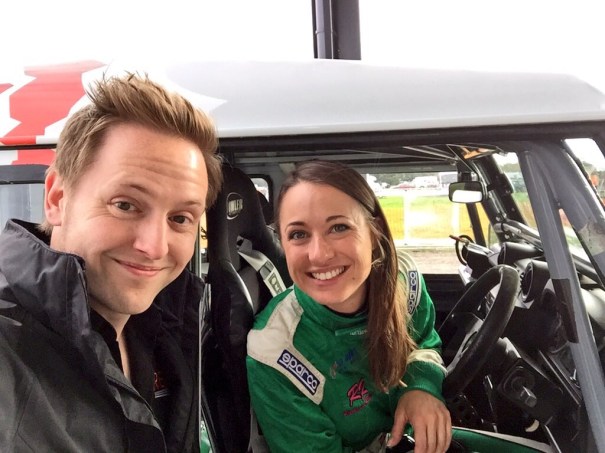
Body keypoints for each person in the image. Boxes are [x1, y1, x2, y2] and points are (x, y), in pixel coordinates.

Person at [0, 73, 222, 452]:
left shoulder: (166, 328)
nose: (154, 247)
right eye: (125, 205)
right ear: (57, 198)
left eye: (180, 218)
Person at [246, 160, 451, 453]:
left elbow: (424, 342)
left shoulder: (406, 281)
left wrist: (422, 388)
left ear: (374, 232)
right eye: (299, 234)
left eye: (338, 227)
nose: (319, 255)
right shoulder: (275, 352)